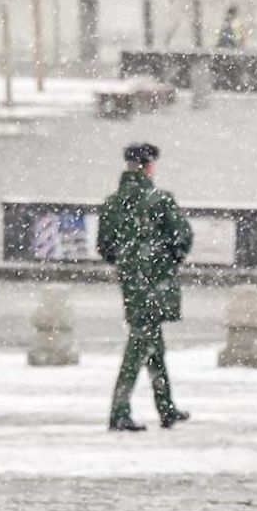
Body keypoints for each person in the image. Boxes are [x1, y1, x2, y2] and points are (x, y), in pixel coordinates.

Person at [96, 143, 194, 432]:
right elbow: (183, 237)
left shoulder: (113, 203)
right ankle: (119, 411)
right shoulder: (160, 200)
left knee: (153, 346)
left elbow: (105, 246)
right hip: (157, 283)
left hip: (132, 284)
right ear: (149, 166)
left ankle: (166, 407)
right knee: (138, 348)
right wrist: (164, 262)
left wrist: (129, 264)